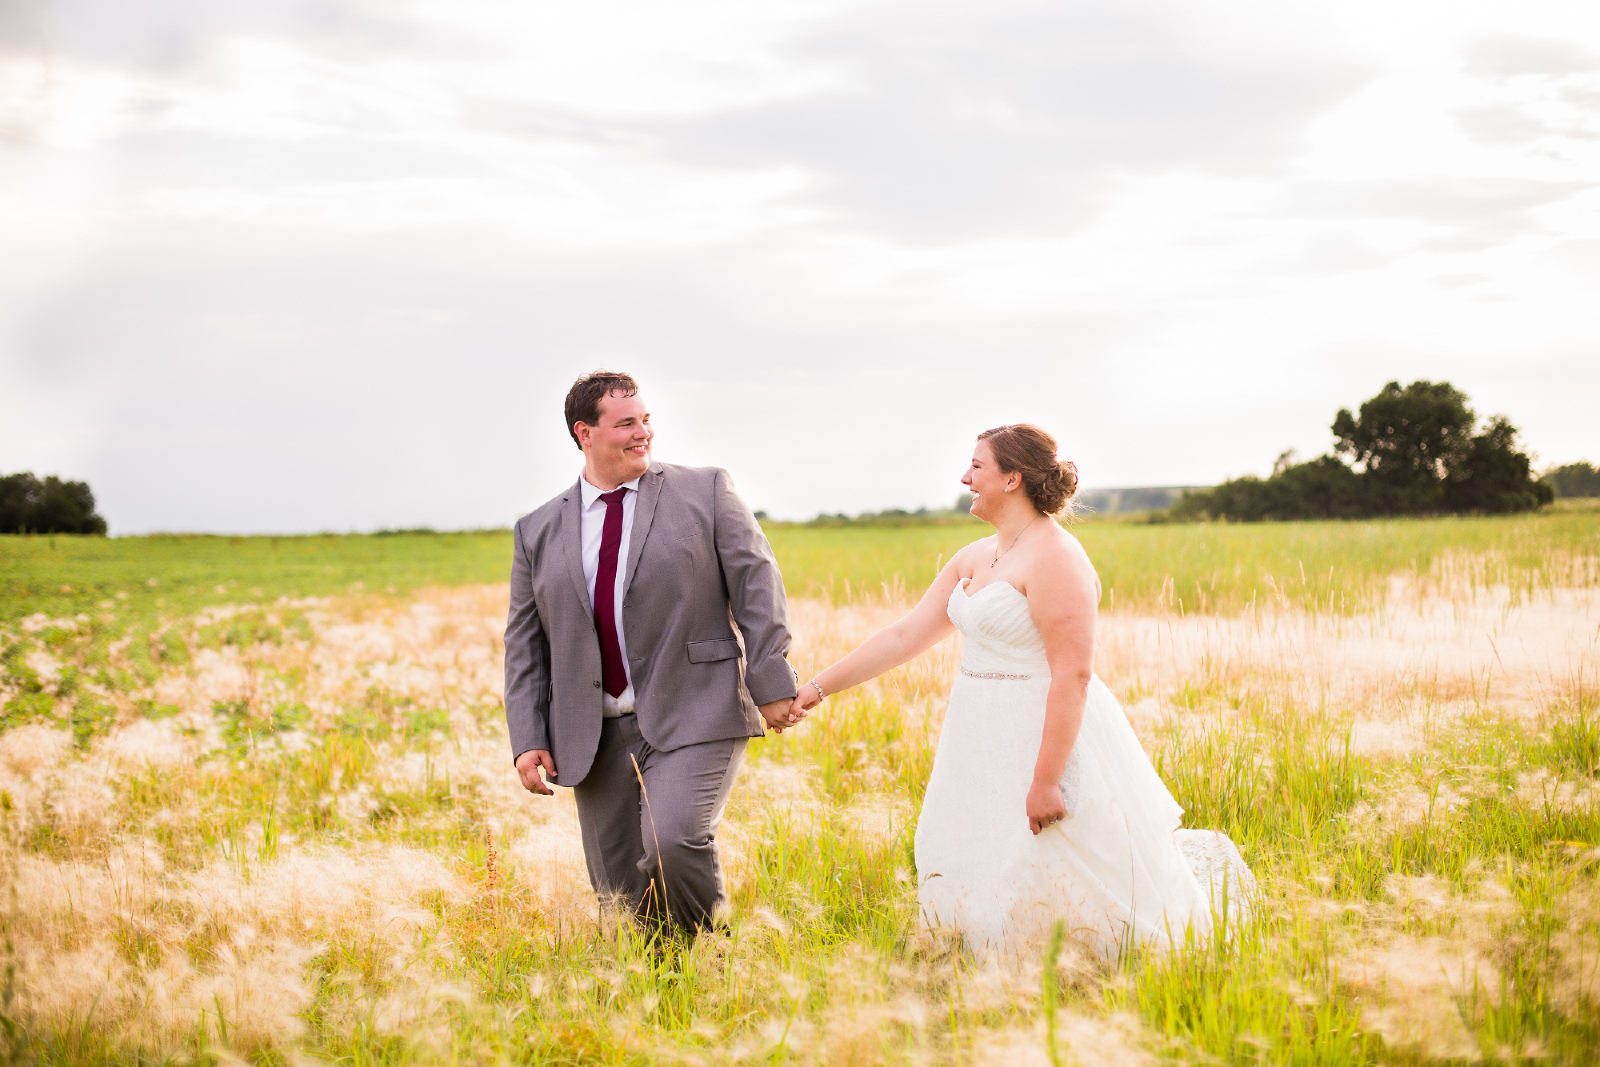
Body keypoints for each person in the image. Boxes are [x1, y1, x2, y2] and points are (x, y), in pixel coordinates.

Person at [788, 424, 1253, 959]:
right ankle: (987, 961)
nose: (966, 477)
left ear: (1013, 478)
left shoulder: (1058, 558)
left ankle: (1071, 964)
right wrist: (818, 688)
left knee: (1052, 859)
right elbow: (903, 636)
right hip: (977, 731)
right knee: (978, 846)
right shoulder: (975, 556)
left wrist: (1046, 780)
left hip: (1041, 732)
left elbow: (1073, 675)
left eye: (977, 467)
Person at [504, 371, 803, 934]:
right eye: (625, 424)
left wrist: (772, 680)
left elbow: (757, 582)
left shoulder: (706, 490)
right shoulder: (537, 530)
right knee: (618, 892)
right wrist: (529, 736)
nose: (643, 433)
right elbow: (525, 643)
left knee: (675, 841)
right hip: (591, 734)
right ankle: (660, 990)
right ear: (585, 433)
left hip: (697, 705)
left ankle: (704, 962)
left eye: (646, 420)